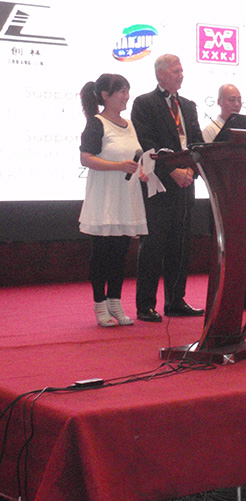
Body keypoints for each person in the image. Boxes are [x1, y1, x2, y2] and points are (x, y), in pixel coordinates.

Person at [131, 54, 205, 322]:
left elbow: (196, 142)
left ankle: (175, 301)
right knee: (153, 245)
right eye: (176, 71)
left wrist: (191, 171)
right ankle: (145, 305)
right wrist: (172, 171)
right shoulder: (144, 103)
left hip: (186, 182)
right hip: (160, 183)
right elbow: (145, 142)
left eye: (182, 70)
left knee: (181, 245)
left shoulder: (188, 105)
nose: (181, 75)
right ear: (161, 74)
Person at [78, 73, 148, 327]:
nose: (126, 96)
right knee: (102, 254)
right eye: (122, 92)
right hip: (104, 197)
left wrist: (142, 169)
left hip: (126, 198)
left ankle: (115, 302)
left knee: (120, 254)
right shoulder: (96, 123)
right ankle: (100, 304)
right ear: (105, 96)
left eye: (128, 91)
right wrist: (118, 166)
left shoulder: (129, 124)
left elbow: (138, 156)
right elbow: (86, 158)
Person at [201, 84, 246, 309]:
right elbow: (208, 165)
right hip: (223, 199)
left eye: (239, 100)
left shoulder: (245, 132)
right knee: (226, 251)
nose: (237, 104)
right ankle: (225, 298)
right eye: (231, 100)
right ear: (219, 102)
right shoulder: (209, 131)